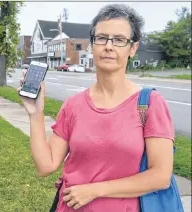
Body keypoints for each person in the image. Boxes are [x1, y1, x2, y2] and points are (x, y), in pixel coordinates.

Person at [17, 4, 174, 212]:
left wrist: (94, 190)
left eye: (119, 40)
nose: (109, 46)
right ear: (92, 45)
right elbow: (46, 166)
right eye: (101, 38)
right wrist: (35, 114)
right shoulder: (73, 105)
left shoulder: (150, 104)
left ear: (132, 48)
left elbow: (161, 176)